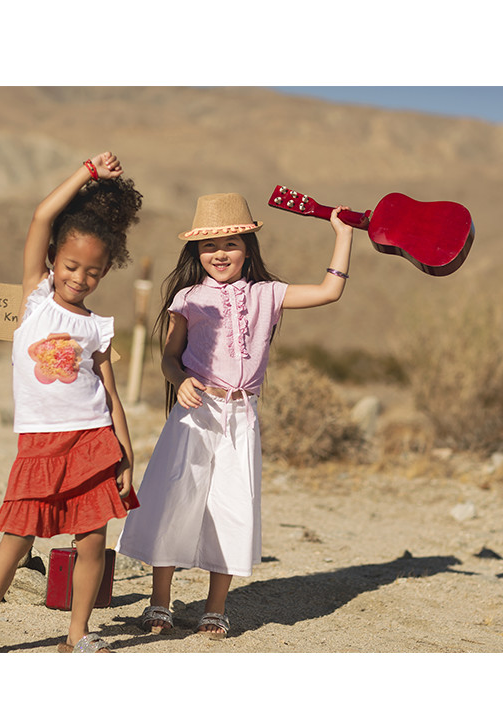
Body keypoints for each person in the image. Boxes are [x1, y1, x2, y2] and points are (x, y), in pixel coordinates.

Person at [116, 191, 353, 638]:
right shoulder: (187, 298)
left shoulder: (268, 294)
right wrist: (180, 379)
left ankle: (215, 607)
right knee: (173, 499)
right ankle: (160, 602)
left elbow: (330, 290)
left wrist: (342, 235)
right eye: (209, 246)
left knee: (230, 504)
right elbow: (169, 357)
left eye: (230, 244)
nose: (219, 254)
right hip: (196, 413)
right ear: (196, 251)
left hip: (242, 416)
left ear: (248, 247)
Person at [0, 151, 142, 653]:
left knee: (92, 545)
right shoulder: (34, 299)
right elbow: (42, 215)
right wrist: (87, 171)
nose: (80, 278)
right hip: (39, 445)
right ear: (53, 262)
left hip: (92, 442)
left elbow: (111, 396)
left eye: (93, 272)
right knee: (16, 541)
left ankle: (77, 635)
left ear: (106, 273)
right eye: (70, 266)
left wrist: (127, 455)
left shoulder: (96, 326)